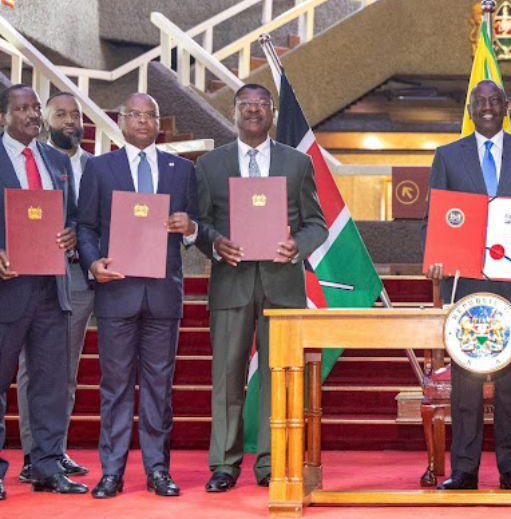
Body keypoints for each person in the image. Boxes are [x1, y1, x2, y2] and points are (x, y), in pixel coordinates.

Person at [423, 80, 511, 491]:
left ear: (505, 106)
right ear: (469, 107)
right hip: (464, 285)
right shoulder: (447, 156)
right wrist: (435, 259)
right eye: (479, 102)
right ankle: (463, 471)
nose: (486, 107)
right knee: (465, 383)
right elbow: (436, 216)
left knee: (509, 385)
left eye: (494, 101)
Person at [196, 84, 327, 493]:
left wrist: (297, 247)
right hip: (231, 284)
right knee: (227, 378)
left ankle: (273, 461)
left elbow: (317, 224)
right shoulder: (210, 165)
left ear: (272, 112)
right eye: (245, 105)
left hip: (282, 287)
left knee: (279, 378)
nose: (253, 111)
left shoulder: (298, 163)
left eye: (261, 105)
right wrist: (215, 243)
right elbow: (200, 223)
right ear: (234, 112)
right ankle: (224, 463)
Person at [77, 93, 198, 498]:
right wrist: (93, 264)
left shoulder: (181, 170)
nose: (143, 121)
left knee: (159, 386)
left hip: (163, 295)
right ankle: (111, 471)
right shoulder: (99, 168)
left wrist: (189, 225)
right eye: (135, 115)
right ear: (121, 120)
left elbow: (196, 223)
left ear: (158, 122)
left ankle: (157, 469)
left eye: (150, 115)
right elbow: (86, 226)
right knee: (114, 386)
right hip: (117, 293)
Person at [0, 84, 86, 499]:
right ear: (5, 116)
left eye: (36, 108)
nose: (32, 115)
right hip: (7, 288)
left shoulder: (56, 160)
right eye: (22, 108)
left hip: (53, 290)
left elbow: (69, 218)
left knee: (50, 383)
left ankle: (47, 466)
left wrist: (70, 236)